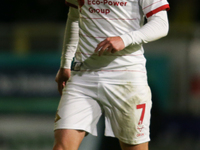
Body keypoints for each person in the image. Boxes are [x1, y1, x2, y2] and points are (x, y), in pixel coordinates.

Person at [53, 0, 170, 149]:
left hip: (126, 78)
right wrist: (65, 63)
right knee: (61, 146)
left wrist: (124, 39)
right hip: (83, 76)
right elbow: (75, 17)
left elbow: (161, 24)